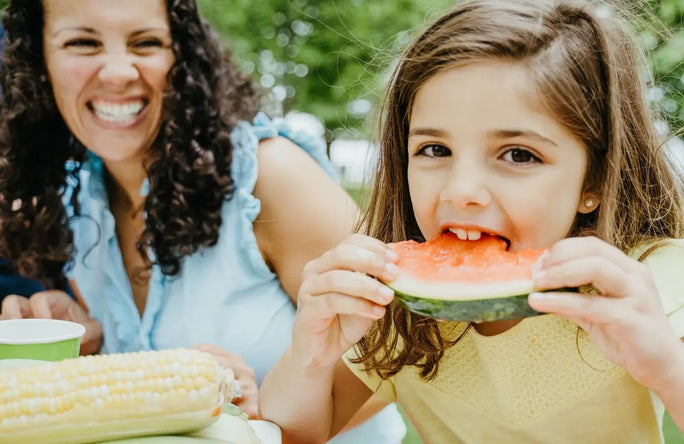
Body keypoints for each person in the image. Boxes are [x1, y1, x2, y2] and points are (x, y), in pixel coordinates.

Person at [259, 0, 684, 442]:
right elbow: (297, 432)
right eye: (434, 150)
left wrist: (669, 365)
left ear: (595, 181)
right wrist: (310, 354)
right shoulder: (397, 298)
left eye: (519, 156)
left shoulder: (649, 281)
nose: (463, 191)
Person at [0, 0, 405, 441]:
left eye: (146, 42)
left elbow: (404, 346)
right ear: (38, 60)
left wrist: (268, 411)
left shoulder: (270, 177)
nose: (117, 72)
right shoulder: (78, 200)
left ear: (184, 56)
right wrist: (89, 336)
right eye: (82, 42)